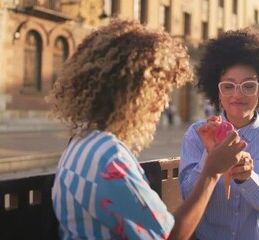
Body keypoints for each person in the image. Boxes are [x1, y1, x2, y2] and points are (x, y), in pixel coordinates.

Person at [46, 19, 247, 240]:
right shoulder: (109, 157)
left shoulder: (82, 141)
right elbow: (170, 236)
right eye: (159, 90)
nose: (164, 104)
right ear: (132, 90)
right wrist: (211, 172)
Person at [179, 28, 259, 240]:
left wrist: (248, 178)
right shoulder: (196, 134)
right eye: (228, 85)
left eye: (248, 86)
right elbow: (188, 195)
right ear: (218, 91)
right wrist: (211, 155)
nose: (237, 94)